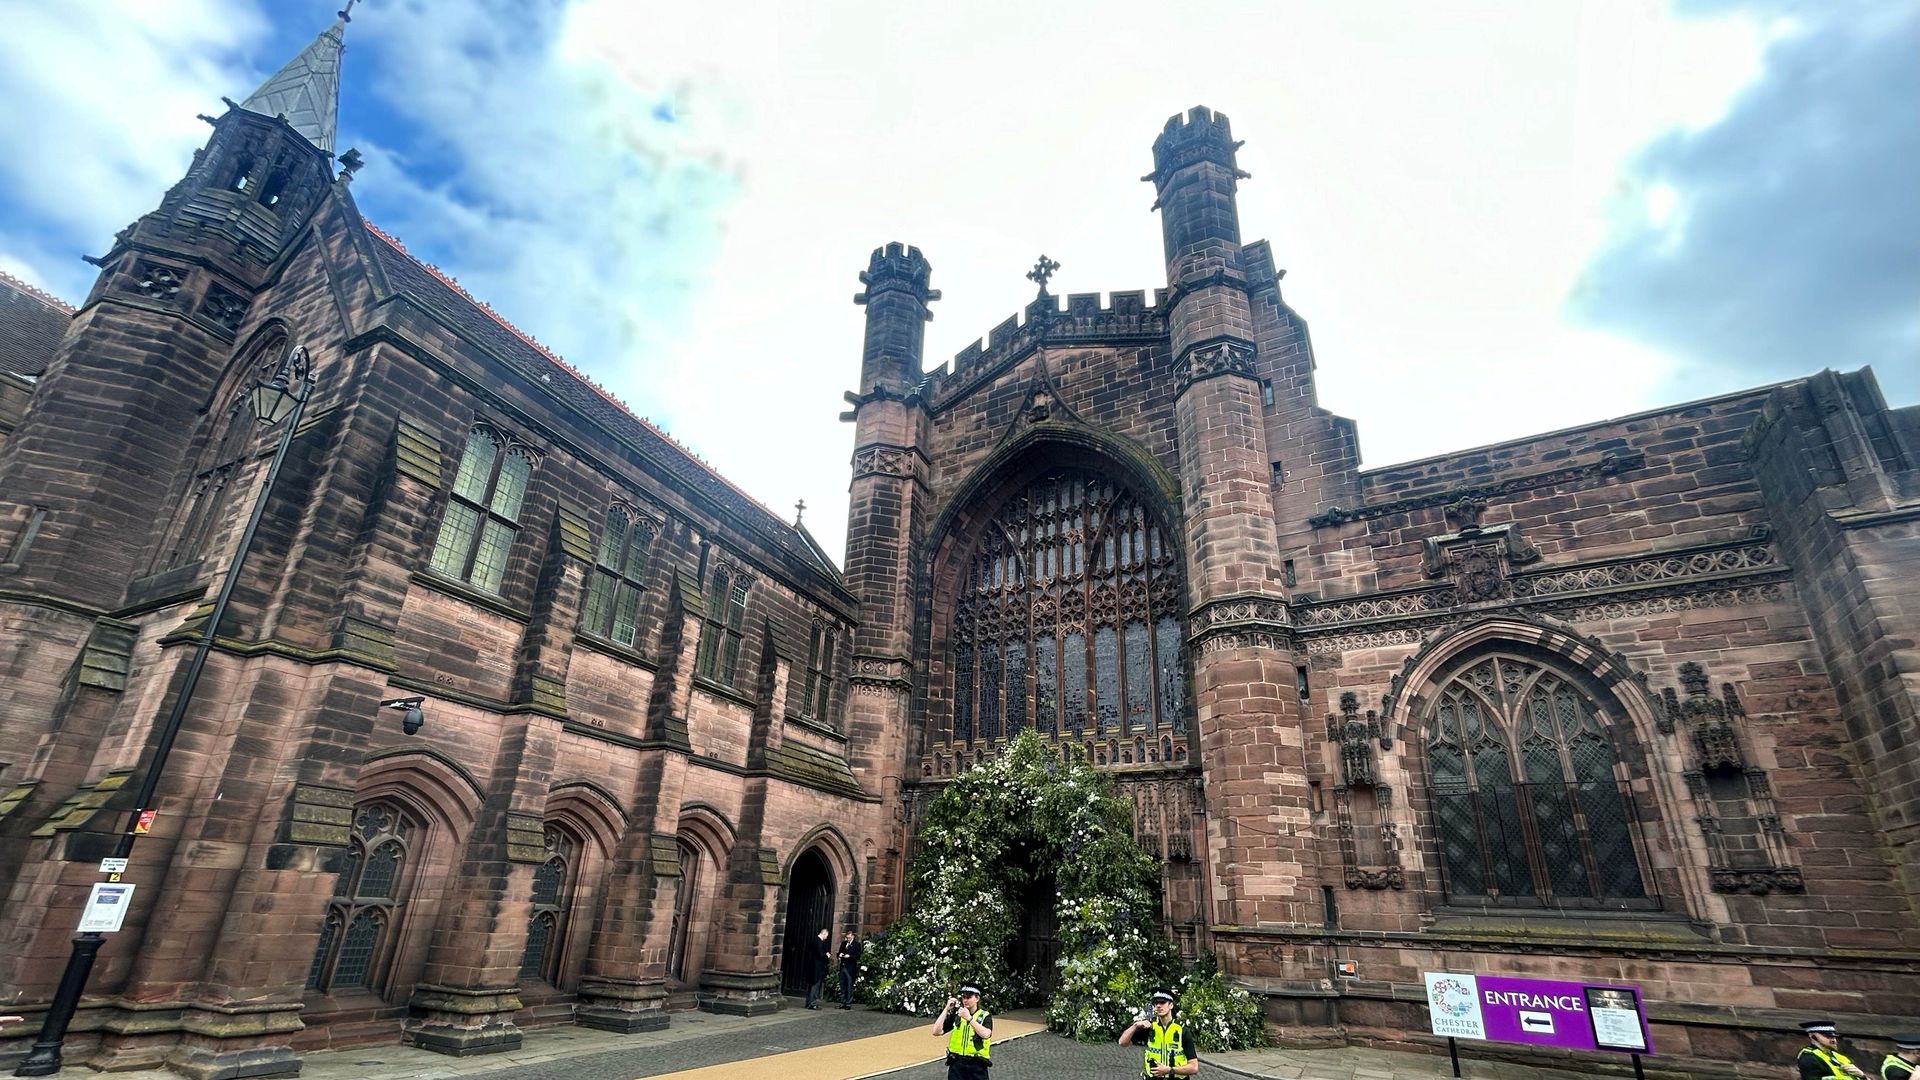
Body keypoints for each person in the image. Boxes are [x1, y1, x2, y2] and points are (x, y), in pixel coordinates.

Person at [1118, 987, 1200, 1078]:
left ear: (1171, 1005)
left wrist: (1169, 1070)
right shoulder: (1149, 1028)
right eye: (1156, 1003)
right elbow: (1122, 1043)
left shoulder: (1182, 1031)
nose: (1158, 1006)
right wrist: (1135, 1025)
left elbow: (1194, 1067)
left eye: (1162, 1002)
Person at [930, 982, 992, 1080]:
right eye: (963, 997)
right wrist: (946, 1009)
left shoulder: (984, 1015)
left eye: (969, 997)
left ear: (977, 998)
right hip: (957, 1064)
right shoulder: (957, 1015)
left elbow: (986, 1034)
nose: (965, 1000)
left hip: (977, 1065)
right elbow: (936, 1031)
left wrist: (969, 1019)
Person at [1799, 1021, 1869, 1079]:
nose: (1833, 1039)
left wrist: (1863, 1077)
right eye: (1828, 1036)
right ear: (1812, 1036)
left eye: (1834, 1036)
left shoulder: (1841, 1058)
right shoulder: (1809, 1057)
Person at [805, 926, 831, 1009]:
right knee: (815, 985)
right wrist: (827, 955)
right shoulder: (819, 942)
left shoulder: (813, 940)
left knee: (811, 985)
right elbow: (820, 954)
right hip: (817, 967)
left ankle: (808, 1002)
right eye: (826, 936)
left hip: (812, 966)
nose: (826, 938)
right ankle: (812, 1003)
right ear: (824, 934)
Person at [836, 930, 863, 1009]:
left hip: (850, 968)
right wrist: (839, 954)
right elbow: (839, 952)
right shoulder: (843, 943)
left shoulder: (856, 944)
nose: (848, 939)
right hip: (843, 966)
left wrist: (850, 956)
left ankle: (848, 1003)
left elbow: (858, 956)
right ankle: (842, 1002)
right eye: (847, 938)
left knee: (849, 985)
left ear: (852, 937)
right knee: (842, 985)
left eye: (849, 938)